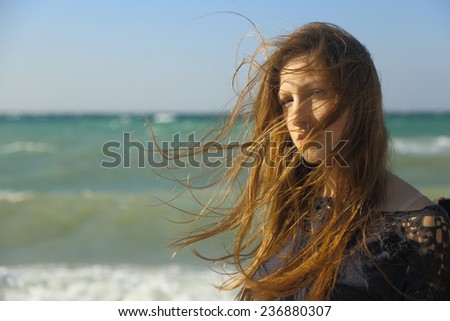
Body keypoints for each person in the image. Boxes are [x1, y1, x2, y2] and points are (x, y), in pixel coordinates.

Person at [171, 22, 450, 300]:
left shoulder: (421, 230)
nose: (296, 118)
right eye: (287, 100)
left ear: (360, 101)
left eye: (315, 93)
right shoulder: (296, 206)